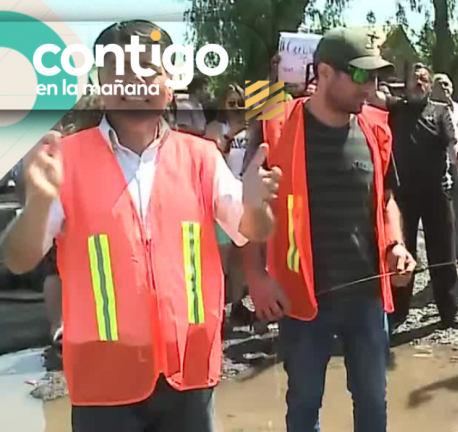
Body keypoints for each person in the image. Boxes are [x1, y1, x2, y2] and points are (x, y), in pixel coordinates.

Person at [0, 20, 280, 432]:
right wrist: (40, 202)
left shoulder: (200, 157)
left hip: (190, 372)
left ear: (170, 82)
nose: (134, 80)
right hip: (104, 382)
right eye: (118, 69)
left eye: (148, 67)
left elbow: (252, 228)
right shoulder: (67, 161)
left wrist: (258, 206)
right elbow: (19, 259)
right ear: (101, 83)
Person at [242, 27, 416, 432]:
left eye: (375, 77)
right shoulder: (276, 127)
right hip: (303, 300)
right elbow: (249, 206)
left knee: (373, 404)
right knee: (304, 407)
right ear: (323, 72)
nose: (370, 88)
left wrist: (396, 245)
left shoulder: (375, 129)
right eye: (360, 77)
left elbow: (386, 199)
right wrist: (256, 275)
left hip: (368, 297)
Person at [368, 63, 458, 331]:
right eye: (415, 78)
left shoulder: (440, 111)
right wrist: (373, 67)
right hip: (403, 195)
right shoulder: (396, 107)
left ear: (430, 84)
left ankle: (450, 312)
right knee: (401, 252)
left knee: (444, 253)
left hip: (436, 192)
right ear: (407, 83)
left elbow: (452, 142)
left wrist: (457, 156)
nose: (419, 82)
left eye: (424, 79)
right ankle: (398, 311)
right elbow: (371, 95)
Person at [205, 84, 251, 325]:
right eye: (231, 103)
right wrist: (231, 134)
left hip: (246, 197)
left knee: (242, 258)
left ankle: (237, 305)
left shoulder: (251, 128)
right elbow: (211, 157)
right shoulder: (216, 128)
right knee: (221, 258)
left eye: (240, 102)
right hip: (222, 199)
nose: (236, 108)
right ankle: (216, 309)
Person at [432, 73, 458, 262]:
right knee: (441, 211)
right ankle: (443, 251)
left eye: (447, 84)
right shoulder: (429, 109)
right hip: (439, 164)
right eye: (439, 84)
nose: (444, 88)